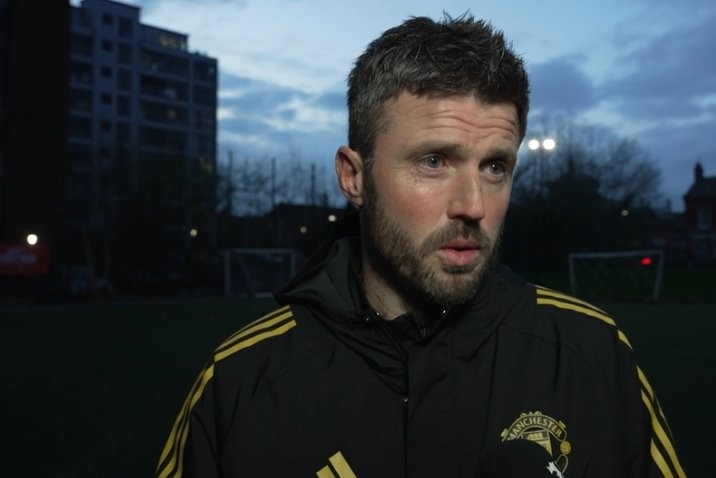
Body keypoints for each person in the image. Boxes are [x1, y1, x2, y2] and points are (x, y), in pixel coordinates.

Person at [156, 14, 685, 478]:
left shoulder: (591, 355)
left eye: (494, 166)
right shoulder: (241, 381)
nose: (473, 205)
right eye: (434, 161)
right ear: (354, 176)